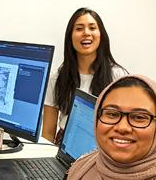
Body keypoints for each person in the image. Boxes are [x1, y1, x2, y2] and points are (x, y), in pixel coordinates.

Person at [42, 8, 127, 144]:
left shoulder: (117, 76)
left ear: (101, 35)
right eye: (79, 28)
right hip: (64, 145)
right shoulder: (57, 77)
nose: (86, 33)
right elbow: (47, 133)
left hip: (102, 147)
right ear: (70, 36)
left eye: (92, 28)